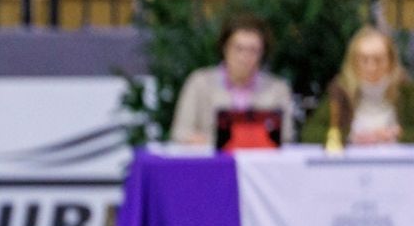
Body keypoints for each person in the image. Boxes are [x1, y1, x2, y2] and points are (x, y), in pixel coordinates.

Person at [169, 13, 296, 146]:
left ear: (262, 53)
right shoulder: (199, 83)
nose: (245, 57)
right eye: (239, 49)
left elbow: (285, 138)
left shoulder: (277, 89)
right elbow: (180, 133)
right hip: (212, 164)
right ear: (225, 48)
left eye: (253, 50)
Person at [301, 26, 414, 147]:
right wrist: (350, 136)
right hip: (351, 165)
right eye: (364, 59)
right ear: (353, 62)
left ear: (391, 62)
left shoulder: (406, 91)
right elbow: (309, 133)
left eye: (378, 60)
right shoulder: (340, 92)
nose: (371, 67)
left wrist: (397, 134)